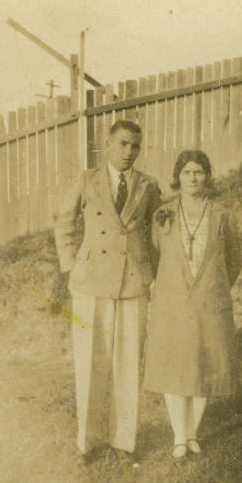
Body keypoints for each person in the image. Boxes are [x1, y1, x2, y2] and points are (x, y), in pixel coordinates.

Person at [55, 120, 162, 464]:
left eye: (135, 146)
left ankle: (124, 441)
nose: (129, 153)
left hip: (133, 282)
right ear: (108, 144)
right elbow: (64, 222)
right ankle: (86, 443)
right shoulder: (87, 180)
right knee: (90, 362)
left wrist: (154, 275)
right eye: (123, 145)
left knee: (128, 363)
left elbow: (155, 233)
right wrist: (73, 265)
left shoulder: (148, 185)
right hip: (91, 283)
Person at [144, 150, 242, 458]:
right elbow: (154, 255)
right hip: (172, 304)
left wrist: (213, 288)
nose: (193, 177)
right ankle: (177, 436)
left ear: (208, 176)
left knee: (206, 366)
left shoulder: (222, 216)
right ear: (178, 177)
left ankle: (193, 433)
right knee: (174, 368)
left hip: (208, 302)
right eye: (187, 172)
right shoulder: (164, 214)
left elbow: (234, 262)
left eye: (199, 172)